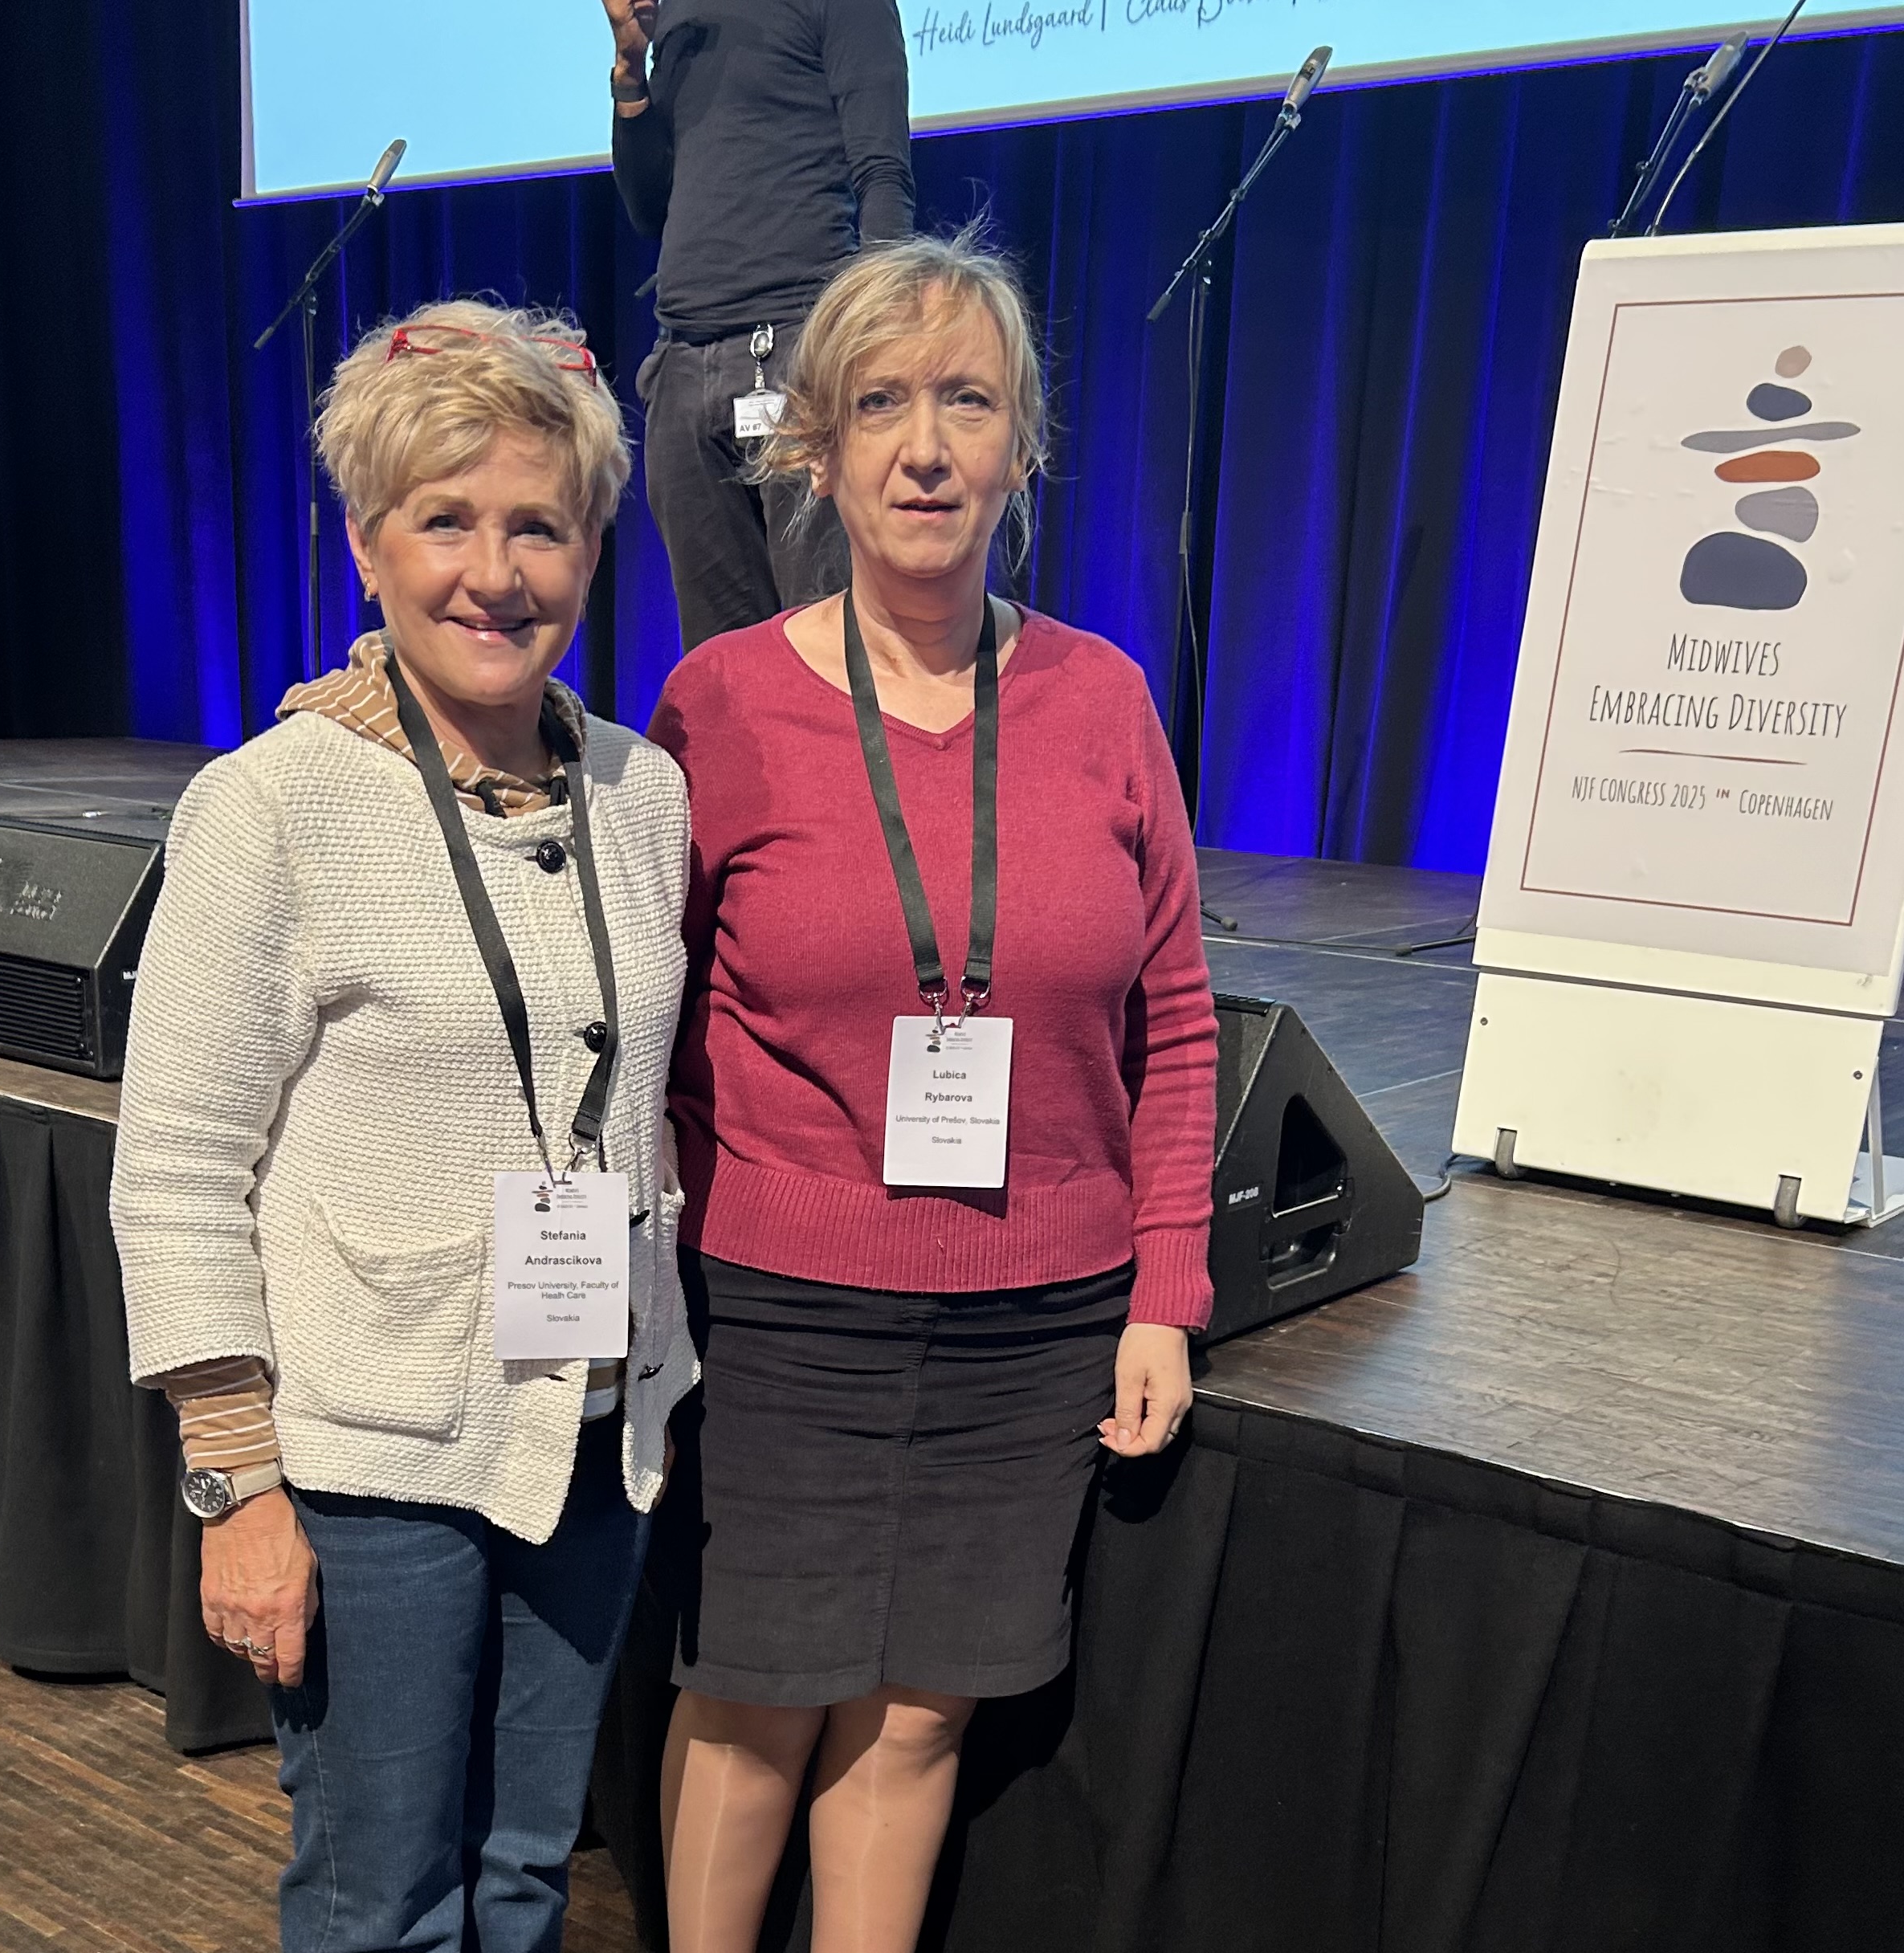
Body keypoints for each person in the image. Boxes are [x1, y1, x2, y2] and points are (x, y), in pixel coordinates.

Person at [646, 232, 1218, 1952]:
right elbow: (652, 1017)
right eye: (879, 404)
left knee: (914, 1719)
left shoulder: (1104, 698)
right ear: (813, 449)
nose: (922, 448)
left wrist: (1164, 1292)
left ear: (1020, 447)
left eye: (965, 402)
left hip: (1037, 1308)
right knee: (752, 1706)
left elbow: (1176, 1022)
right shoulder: (718, 702)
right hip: (783, 1300)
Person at [110, 299, 697, 1953]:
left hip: (594, 1435)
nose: (493, 573)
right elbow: (175, 1174)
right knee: (384, 1904)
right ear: (369, 545)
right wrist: (237, 1482)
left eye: (539, 526)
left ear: (592, 551)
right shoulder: (270, 806)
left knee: (524, 1874)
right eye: (445, 521)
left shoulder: (643, 793)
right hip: (369, 1464)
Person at [602, 0, 915, 650]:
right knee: (720, 665)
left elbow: (883, 175)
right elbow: (648, 208)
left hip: (803, 355)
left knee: (826, 647)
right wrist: (631, 71)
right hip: (685, 366)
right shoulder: (676, 14)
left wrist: (875, 354)